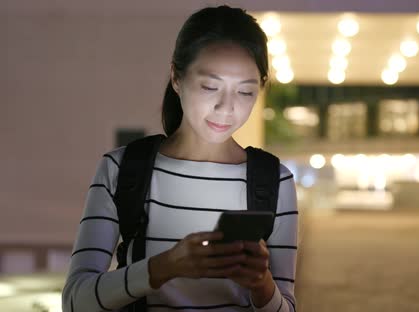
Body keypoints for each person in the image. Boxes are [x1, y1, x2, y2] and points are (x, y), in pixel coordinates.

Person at [62, 6, 298, 312]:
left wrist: (261, 283)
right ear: (176, 77)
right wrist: (164, 267)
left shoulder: (274, 181)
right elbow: (74, 302)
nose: (226, 108)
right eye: (210, 87)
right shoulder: (123, 169)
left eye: (245, 92)